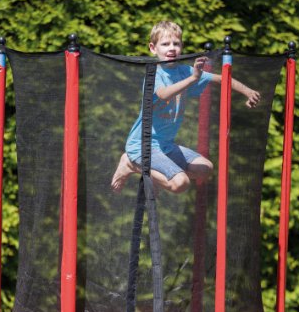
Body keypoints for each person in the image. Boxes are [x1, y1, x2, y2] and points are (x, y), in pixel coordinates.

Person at [111, 21, 260, 194]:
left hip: (165, 145)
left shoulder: (185, 71)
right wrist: (192, 79)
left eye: (176, 43)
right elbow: (163, 94)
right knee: (180, 183)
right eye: (165, 44)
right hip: (143, 145)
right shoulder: (155, 73)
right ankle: (130, 164)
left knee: (205, 168)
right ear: (153, 48)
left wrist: (248, 92)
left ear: (182, 46)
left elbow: (221, 78)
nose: (172, 48)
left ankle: (160, 174)